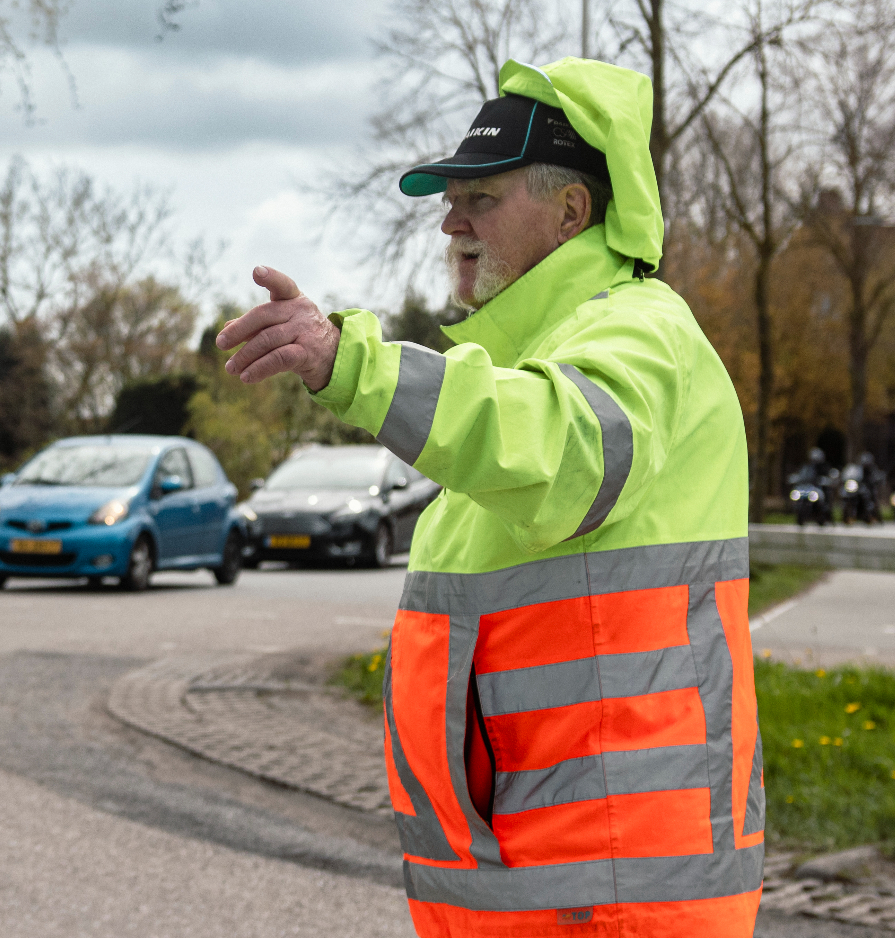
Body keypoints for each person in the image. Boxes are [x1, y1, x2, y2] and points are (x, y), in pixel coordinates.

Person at [217, 58, 764, 935]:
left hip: (614, 892)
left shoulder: (639, 330)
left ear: (572, 213)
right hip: (559, 883)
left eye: (482, 197)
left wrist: (347, 363)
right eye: (450, 199)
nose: (451, 221)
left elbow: (565, 453)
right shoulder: (533, 360)